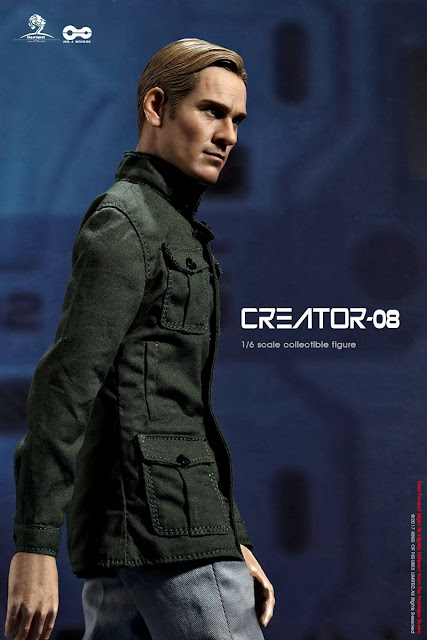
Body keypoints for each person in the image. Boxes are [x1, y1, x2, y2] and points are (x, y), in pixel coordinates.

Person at [5, 38, 275, 640]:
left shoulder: (172, 228)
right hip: (170, 536)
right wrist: (35, 545)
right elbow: (68, 384)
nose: (228, 135)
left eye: (237, 120)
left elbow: (179, 408)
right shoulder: (127, 223)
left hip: (150, 531)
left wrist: (231, 535)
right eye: (212, 111)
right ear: (156, 106)